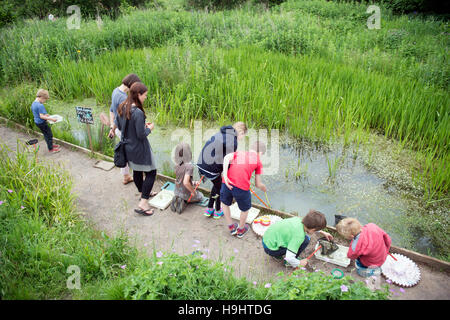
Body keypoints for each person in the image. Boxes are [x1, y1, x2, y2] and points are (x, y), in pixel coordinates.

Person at [115, 82, 157, 216]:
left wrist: (141, 125)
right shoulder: (138, 112)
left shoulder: (122, 106)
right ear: (138, 95)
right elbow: (141, 135)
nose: (145, 97)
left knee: (137, 171)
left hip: (128, 148)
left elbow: (121, 126)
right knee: (151, 172)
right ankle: (144, 203)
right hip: (140, 149)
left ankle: (143, 192)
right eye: (145, 95)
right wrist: (149, 129)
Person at [196, 122, 247, 219]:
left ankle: (210, 208)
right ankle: (218, 210)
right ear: (240, 132)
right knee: (221, 188)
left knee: (217, 184)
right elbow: (228, 160)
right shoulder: (233, 141)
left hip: (201, 164)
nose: (242, 138)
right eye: (243, 135)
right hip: (210, 168)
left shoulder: (221, 133)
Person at [221, 140, 266, 238]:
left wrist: (225, 176)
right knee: (245, 209)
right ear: (261, 153)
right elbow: (257, 184)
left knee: (224, 203)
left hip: (226, 183)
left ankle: (231, 227)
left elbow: (226, 158)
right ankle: (241, 229)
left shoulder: (239, 152)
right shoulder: (258, 162)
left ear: (250, 148)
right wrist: (263, 187)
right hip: (242, 188)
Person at [262, 210, 334, 268]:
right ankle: (286, 262)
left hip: (266, 240)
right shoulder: (299, 236)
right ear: (313, 229)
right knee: (306, 240)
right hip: (270, 249)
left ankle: (277, 255)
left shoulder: (299, 220)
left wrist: (322, 232)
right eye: (316, 230)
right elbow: (289, 257)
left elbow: (310, 226)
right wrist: (299, 263)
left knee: (304, 239)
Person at [108, 73, 141, 185]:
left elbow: (112, 110)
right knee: (134, 153)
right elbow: (123, 118)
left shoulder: (115, 91)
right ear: (131, 84)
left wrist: (112, 127)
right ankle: (141, 184)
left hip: (117, 128)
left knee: (125, 151)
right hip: (124, 130)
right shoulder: (123, 98)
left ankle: (126, 176)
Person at [170, 142, 204, 214]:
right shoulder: (189, 167)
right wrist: (193, 192)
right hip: (186, 192)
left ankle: (177, 197)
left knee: (181, 192)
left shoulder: (176, 164)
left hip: (176, 189)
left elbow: (180, 178)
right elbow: (185, 182)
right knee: (201, 196)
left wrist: (193, 182)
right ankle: (184, 200)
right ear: (189, 154)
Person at [31, 89, 60, 153]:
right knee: (49, 135)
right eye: (45, 99)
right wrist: (52, 119)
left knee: (46, 134)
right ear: (41, 97)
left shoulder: (34, 103)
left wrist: (46, 115)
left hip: (37, 122)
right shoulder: (40, 105)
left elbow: (38, 113)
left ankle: (51, 145)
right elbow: (41, 116)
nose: (45, 101)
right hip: (41, 123)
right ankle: (51, 149)